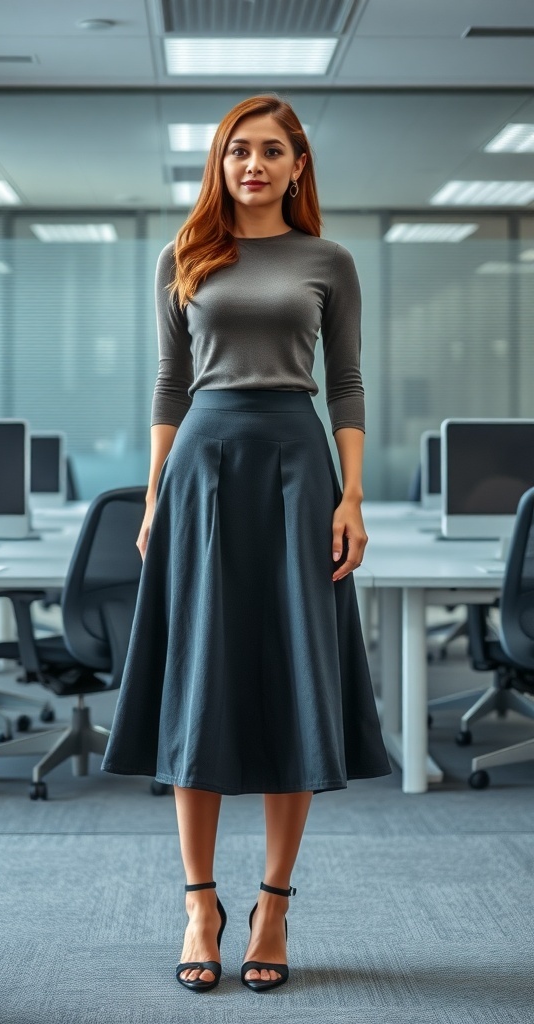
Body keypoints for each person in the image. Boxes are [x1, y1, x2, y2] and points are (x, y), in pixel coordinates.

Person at [101, 93, 392, 993]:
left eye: (270, 151)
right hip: (202, 469)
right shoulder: (183, 257)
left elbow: (343, 384)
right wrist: (154, 495)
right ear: (220, 165)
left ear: (298, 166)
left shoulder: (329, 261)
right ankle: (199, 902)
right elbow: (168, 385)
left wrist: (350, 496)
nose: (252, 164)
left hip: (296, 467)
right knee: (199, 679)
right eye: (237, 151)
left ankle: (272, 904)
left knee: (293, 675)